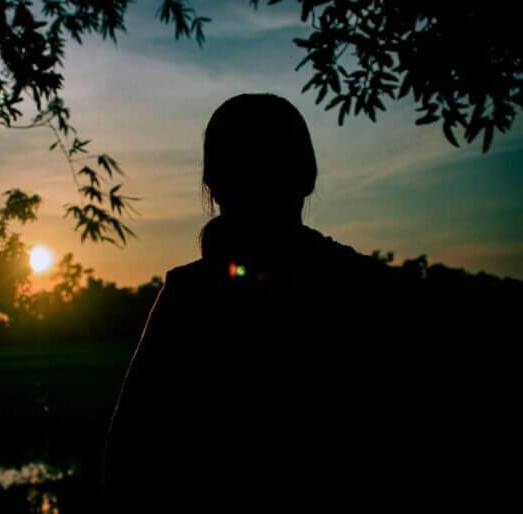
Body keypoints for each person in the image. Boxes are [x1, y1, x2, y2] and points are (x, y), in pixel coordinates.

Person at [103, 94, 512, 513]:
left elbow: (127, 458)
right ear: (307, 177)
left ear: (213, 183)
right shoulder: (369, 287)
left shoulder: (190, 296)